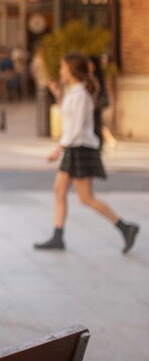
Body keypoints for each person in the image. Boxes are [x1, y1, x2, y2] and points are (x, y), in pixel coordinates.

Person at [34, 53, 139, 254]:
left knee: (86, 198)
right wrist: (58, 94)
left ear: (72, 70)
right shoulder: (74, 91)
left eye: (63, 67)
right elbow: (68, 118)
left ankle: (125, 227)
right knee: (59, 190)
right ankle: (58, 236)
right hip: (75, 148)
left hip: (81, 149)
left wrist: (59, 148)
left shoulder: (81, 94)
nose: (61, 71)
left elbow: (77, 127)